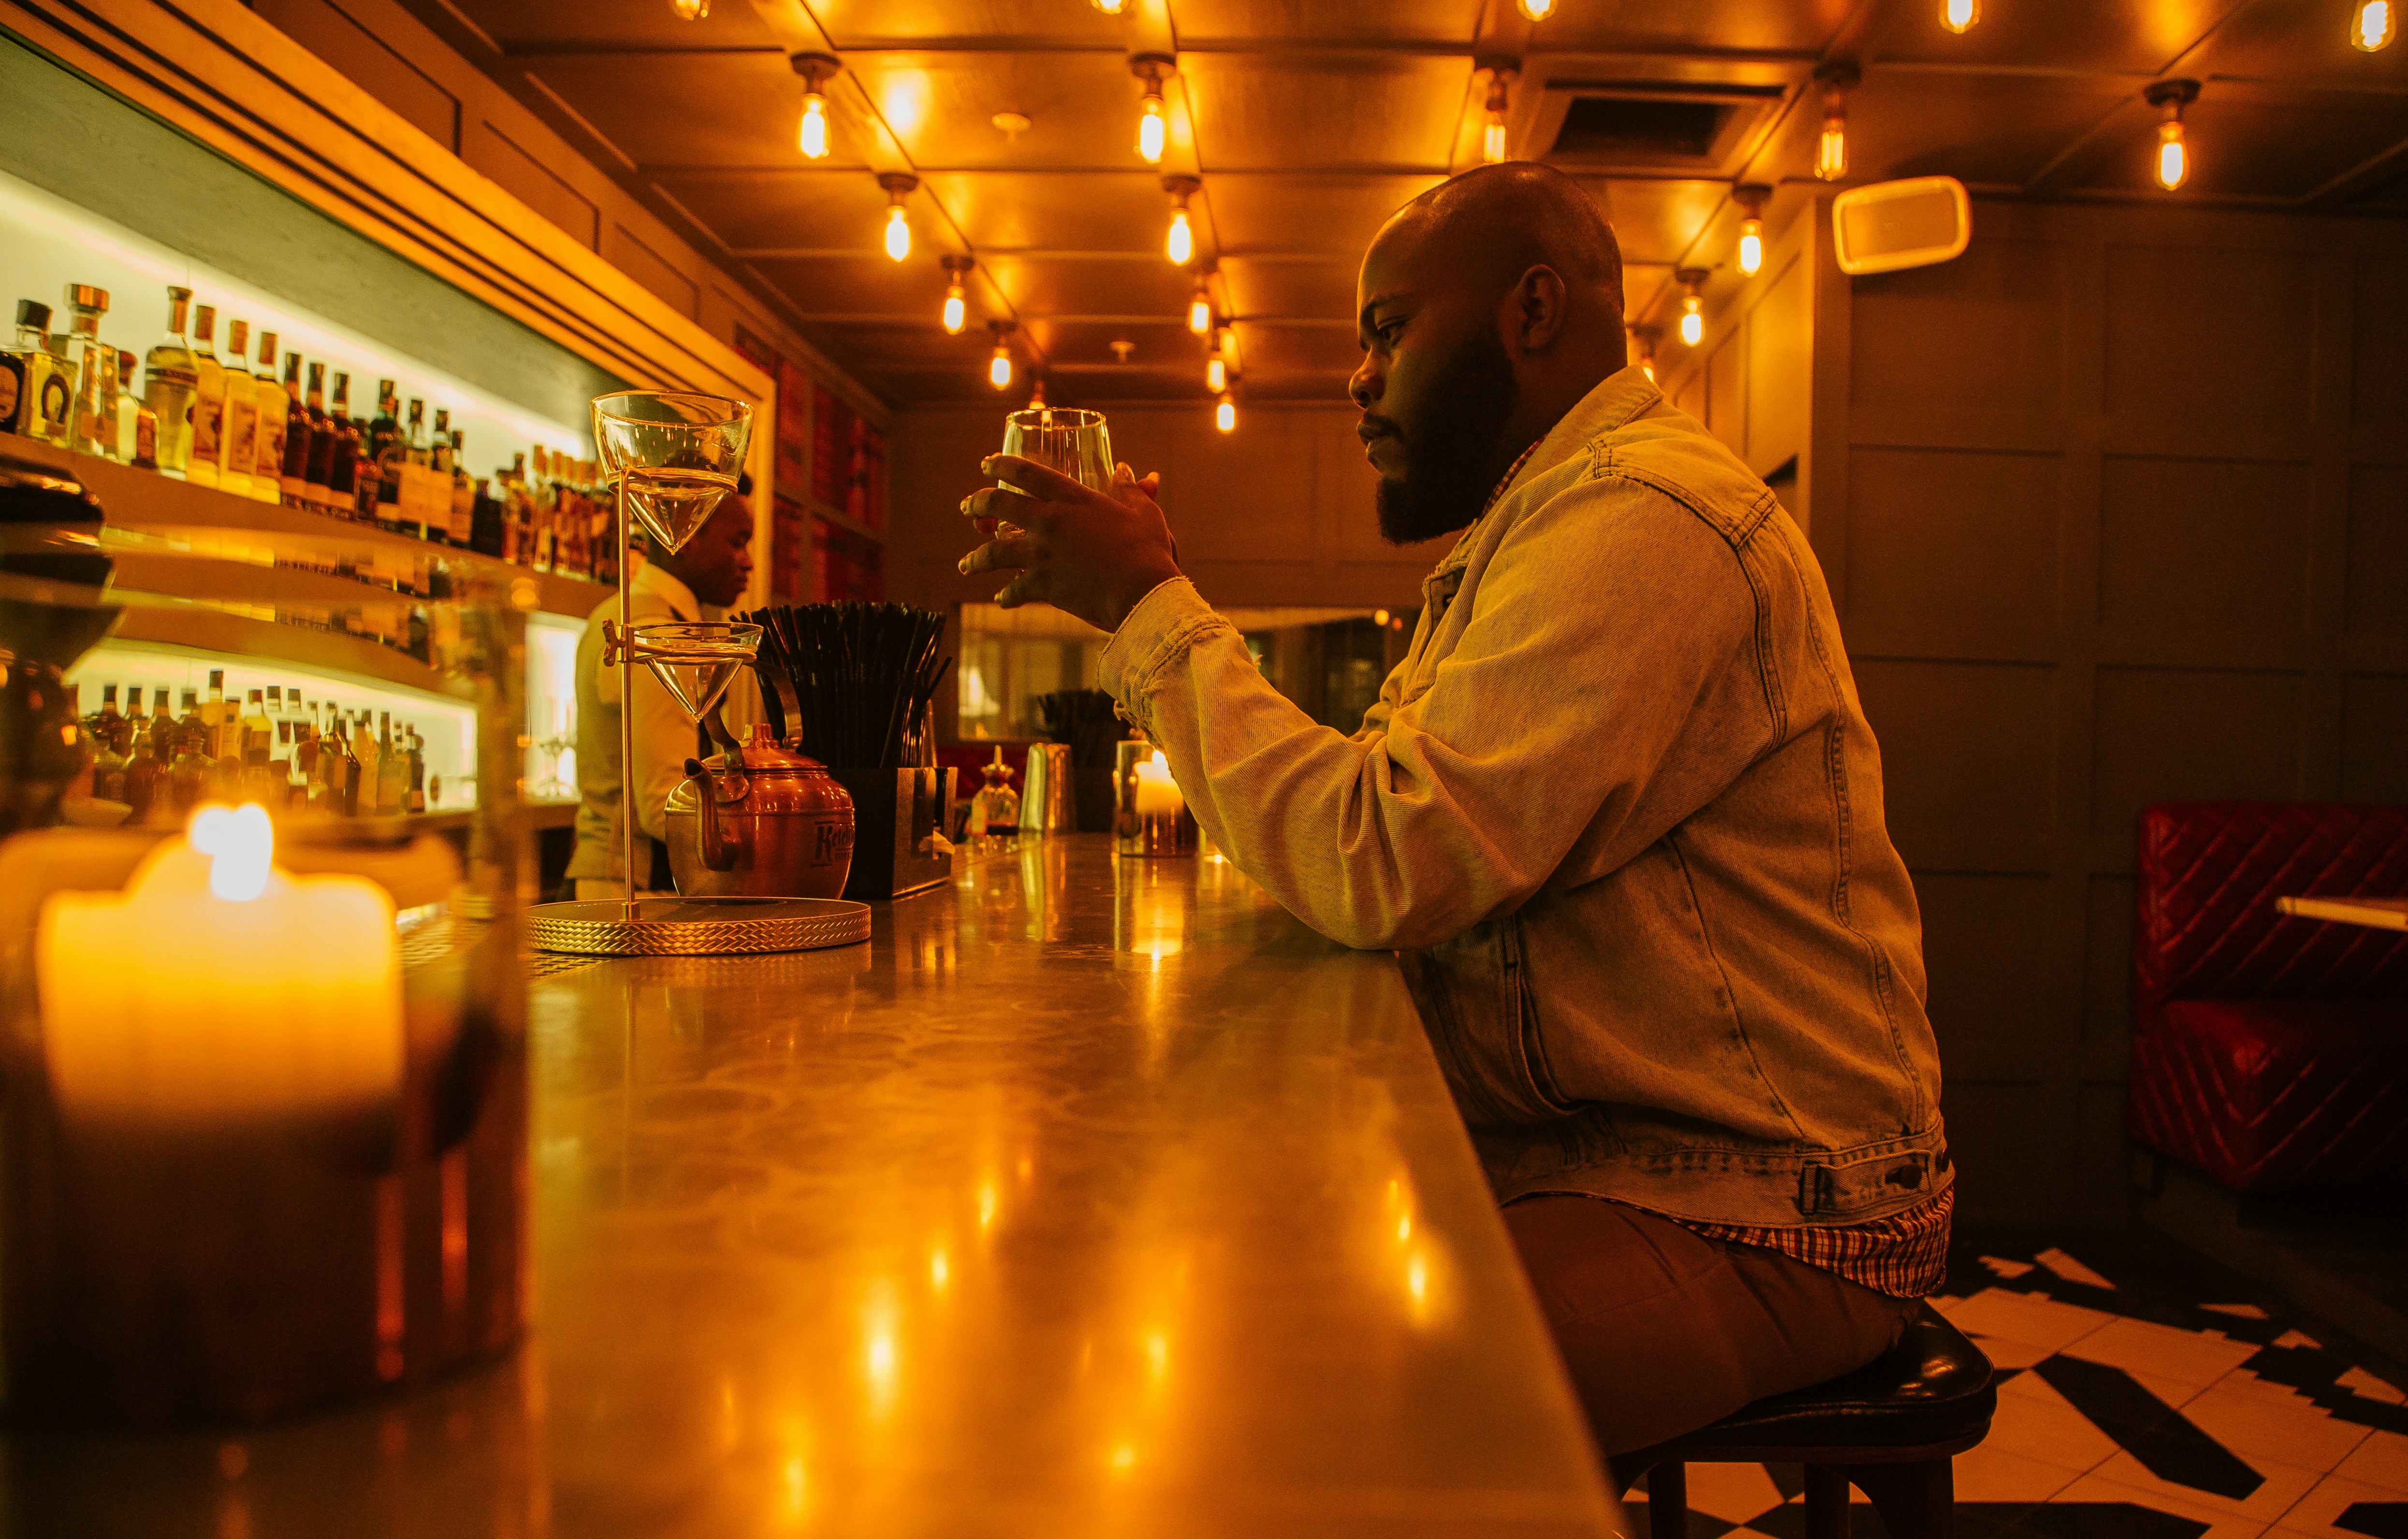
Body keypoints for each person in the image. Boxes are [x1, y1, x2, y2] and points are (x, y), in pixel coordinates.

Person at [957, 163, 1949, 1458]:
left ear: (1529, 311)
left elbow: (1386, 856)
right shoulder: (1533, 527)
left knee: (1297, 1394)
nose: (1357, 380)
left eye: (1385, 331)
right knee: (1179, 1260)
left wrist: (1150, 603)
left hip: (1765, 1202)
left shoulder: (1644, 517)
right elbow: (1386, 823)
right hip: (1603, 1160)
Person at [566, 478, 761, 900]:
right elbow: (664, 803)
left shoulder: (625, 611)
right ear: (685, 536)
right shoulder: (659, 632)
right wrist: (764, 837)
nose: (748, 562)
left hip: (612, 877)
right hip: (638, 886)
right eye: (737, 542)